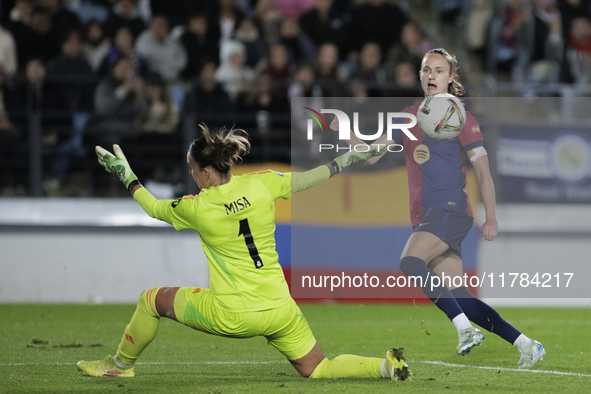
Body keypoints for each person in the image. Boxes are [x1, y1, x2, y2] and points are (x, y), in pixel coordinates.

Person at [76, 124, 411, 381]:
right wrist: (351, 157)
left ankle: (119, 366)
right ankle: (384, 366)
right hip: (280, 308)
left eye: (193, 170)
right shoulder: (261, 182)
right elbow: (310, 178)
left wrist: (126, 175)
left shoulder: (199, 207)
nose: (192, 176)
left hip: (233, 313)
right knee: (319, 368)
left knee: (151, 300)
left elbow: (152, 207)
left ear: (206, 172)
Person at [334, 48, 546, 369]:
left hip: (450, 209)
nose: (431, 75)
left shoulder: (462, 118)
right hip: (428, 215)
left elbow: (484, 172)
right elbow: (372, 155)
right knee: (461, 298)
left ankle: (464, 331)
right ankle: (527, 344)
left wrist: (491, 217)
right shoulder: (407, 116)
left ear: (451, 78)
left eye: (439, 70)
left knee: (409, 261)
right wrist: (345, 132)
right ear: (420, 76)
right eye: (426, 70)